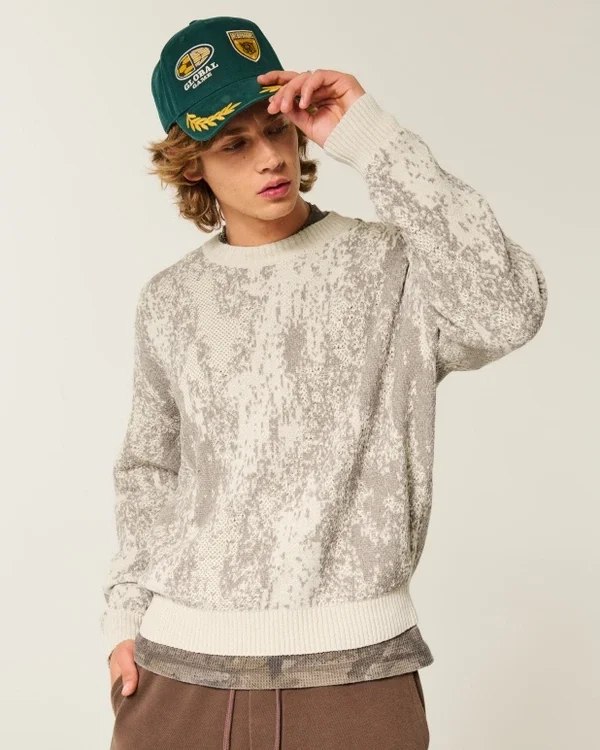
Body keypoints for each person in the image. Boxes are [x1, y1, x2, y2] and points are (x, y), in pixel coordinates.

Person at [100, 15, 548, 750]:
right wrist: (125, 617)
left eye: (276, 128)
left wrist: (375, 140)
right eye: (234, 144)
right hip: (178, 673)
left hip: (356, 675)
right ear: (192, 165)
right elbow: (151, 467)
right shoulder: (171, 300)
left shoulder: (390, 265)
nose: (269, 157)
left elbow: (508, 311)